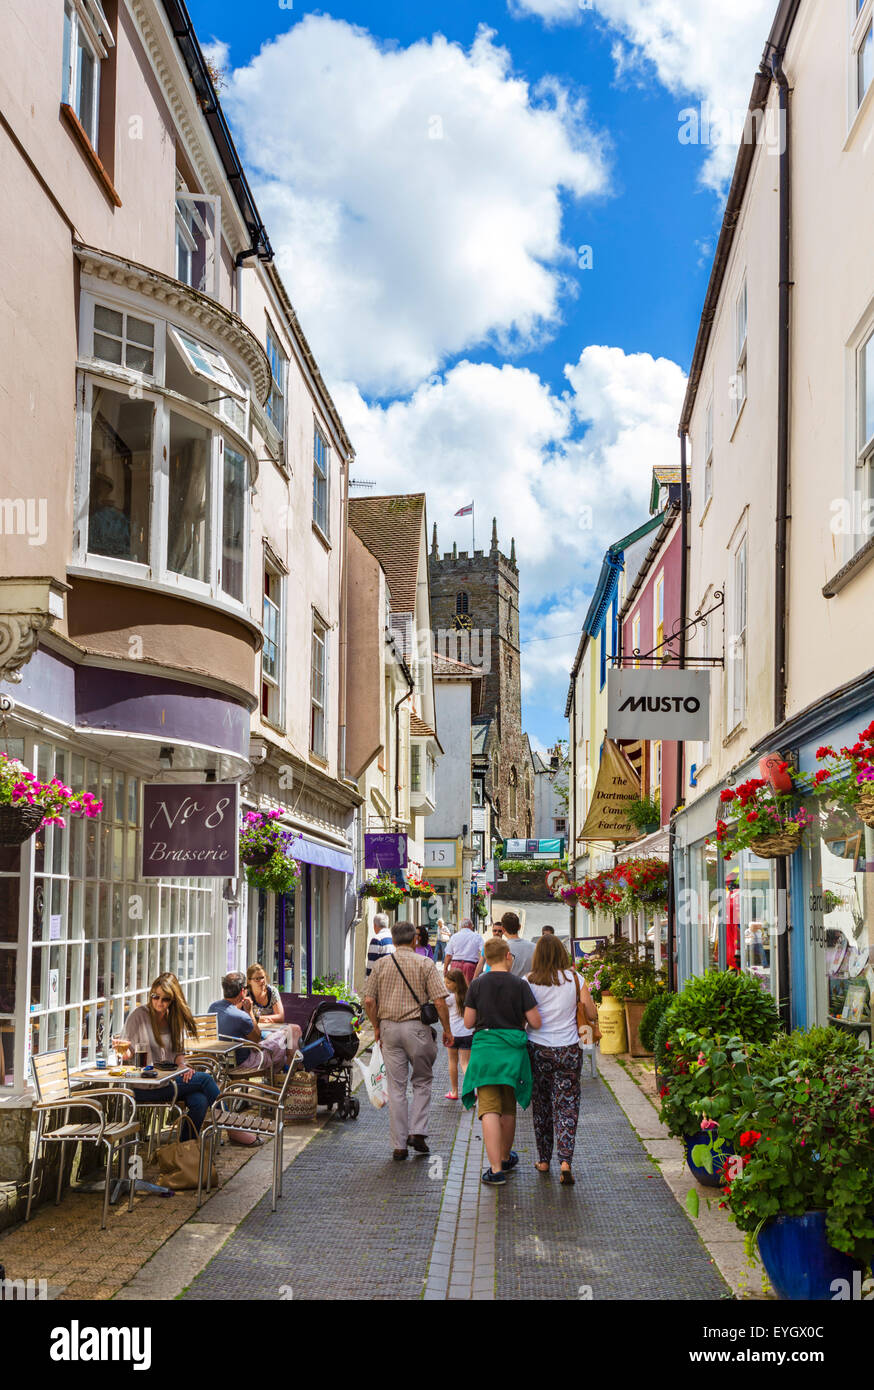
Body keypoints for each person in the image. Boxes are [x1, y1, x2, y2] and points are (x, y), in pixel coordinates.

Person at [364, 921, 453, 1161]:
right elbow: (440, 1001)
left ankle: (399, 1145)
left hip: (389, 1028)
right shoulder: (424, 963)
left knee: (396, 1088)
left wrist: (376, 1027)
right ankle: (418, 1132)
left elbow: (369, 1001)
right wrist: (447, 1029)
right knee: (422, 1081)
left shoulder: (381, 965)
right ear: (415, 939)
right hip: (418, 1029)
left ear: (393, 941)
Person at [461, 938, 542, 1185]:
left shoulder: (476, 985)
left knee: (488, 1109)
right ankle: (506, 1157)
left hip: (486, 1050)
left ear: (486, 957)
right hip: (512, 1052)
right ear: (508, 956)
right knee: (508, 1107)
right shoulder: (520, 984)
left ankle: (495, 1169)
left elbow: (467, 1022)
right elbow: (536, 1021)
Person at [525, 935, 596, 1185]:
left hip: (537, 1049)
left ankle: (544, 1160)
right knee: (567, 1105)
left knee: (542, 1105)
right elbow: (591, 1013)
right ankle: (565, 1161)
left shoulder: (529, 981)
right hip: (568, 1049)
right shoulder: (576, 979)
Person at [112, 973, 219, 1134]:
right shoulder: (139, 1016)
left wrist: (183, 1066)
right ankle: (230, 1124)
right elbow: (128, 1053)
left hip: (169, 1081)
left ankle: (184, 1150)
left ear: (173, 1000)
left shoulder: (174, 1019)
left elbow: (178, 1053)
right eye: (155, 997)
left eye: (165, 999)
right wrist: (123, 1050)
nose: (159, 1002)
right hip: (145, 1086)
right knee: (205, 1079)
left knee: (200, 1100)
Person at [246, 963, 303, 1052]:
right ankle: (292, 1061)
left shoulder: (271, 991)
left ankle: (292, 1059)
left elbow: (280, 1017)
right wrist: (267, 1018)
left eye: (263, 977)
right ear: (249, 981)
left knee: (294, 1029)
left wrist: (258, 1018)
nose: (261, 981)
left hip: (272, 1028)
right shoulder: (246, 994)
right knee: (285, 1036)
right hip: (256, 1031)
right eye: (257, 979)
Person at [472, 912, 533, 980]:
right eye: (494, 931)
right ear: (519, 927)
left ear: (503, 929)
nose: (497, 933)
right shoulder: (534, 947)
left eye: (499, 931)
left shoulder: (498, 948)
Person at [443, 969, 474, 1100]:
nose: (446, 985)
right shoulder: (469, 996)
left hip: (453, 1034)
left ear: (456, 983)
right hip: (468, 1033)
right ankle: (470, 1092)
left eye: (448, 983)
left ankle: (455, 1091)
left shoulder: (449, 999)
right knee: (465, 1063)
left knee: (452, 1062)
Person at [444, 917, 482, 983]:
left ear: (461, 926)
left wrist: (445, 968)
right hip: (470, 965)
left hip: (455, 965)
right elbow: (483, 952)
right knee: (469, 989)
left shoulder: (454, 937)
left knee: (456, 988)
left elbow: (448, 955)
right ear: (471, 926)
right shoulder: (477, 936)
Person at [365, 912, 395, 979]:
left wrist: (368, 980)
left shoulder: (377, 939)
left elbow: (371, 964)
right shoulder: (394, 938)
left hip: (381, 979)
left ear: (375, 925)